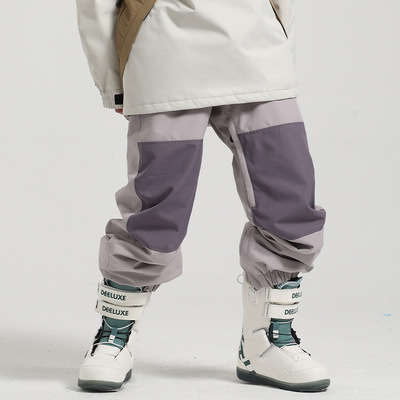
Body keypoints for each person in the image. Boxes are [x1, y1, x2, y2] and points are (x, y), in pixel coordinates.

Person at [75, 0, 330, 393]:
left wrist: (281, 57)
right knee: (157, 203)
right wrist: (112, 80)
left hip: (257, 46)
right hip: (164, 47)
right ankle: (116, 332)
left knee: (288, 194)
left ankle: (267, 340)